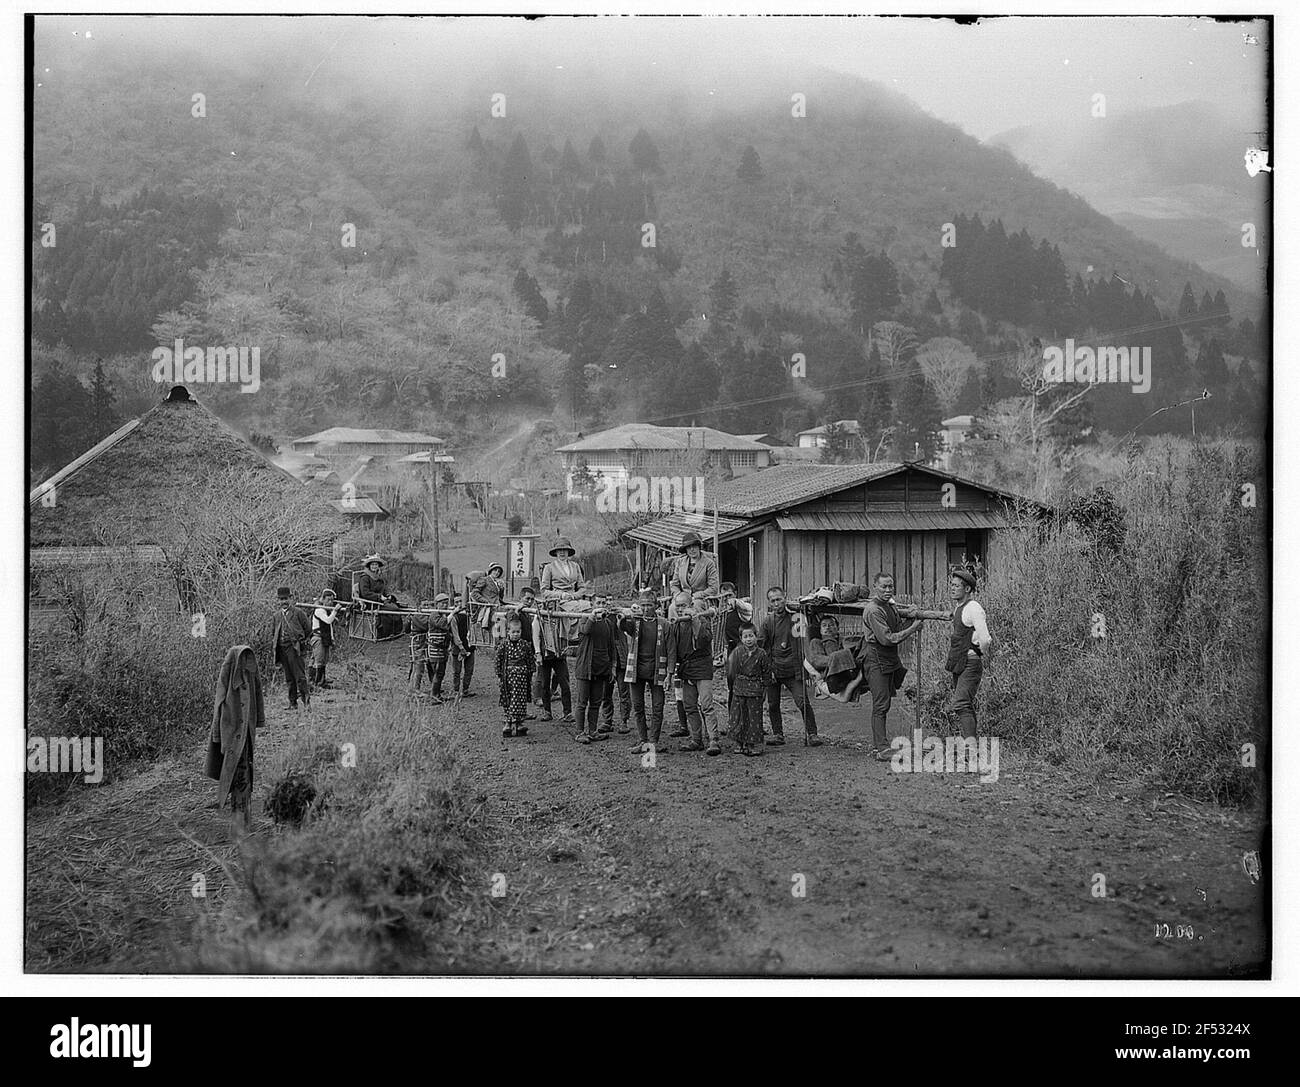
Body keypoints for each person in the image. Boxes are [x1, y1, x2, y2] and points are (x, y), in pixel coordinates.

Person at [906, 569, 993, 741]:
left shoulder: (974, 608)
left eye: (956, 586)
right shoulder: (959, 607)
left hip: (970, 662)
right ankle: (971, 744)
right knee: (964, 704)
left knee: (960, 703)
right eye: (951, 585)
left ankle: (971, 747)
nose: (952, 589)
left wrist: (978, 653)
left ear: (967, 589)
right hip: (959, 662)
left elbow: (986, 639)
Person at [860, 572, 926, 760]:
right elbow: (888, 639)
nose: (888, 590)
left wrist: (911, 618)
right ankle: (881, 749)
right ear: (875, 587)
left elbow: (896, 629)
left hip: (888, 659)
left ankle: (879, 745)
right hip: (876, 659)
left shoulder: (889, 606)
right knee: (880, 704)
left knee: (885, 703)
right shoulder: (873, 610)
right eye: (884, 587)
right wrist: (914, 628)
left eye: (891, 586)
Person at [205, 644, 264, 832]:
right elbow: (219, 706)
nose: (247, 664)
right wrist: (218, 736)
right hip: (231, 736)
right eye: (244, 660)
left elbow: (258, 699)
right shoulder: (228, 678)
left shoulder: (251, 677)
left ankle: (243, 821)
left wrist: (257, 721)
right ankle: (238, 824)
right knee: (234, 776)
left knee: (245, 775)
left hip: (246, 735)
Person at [756, 586, 821, 746]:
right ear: (769, 603)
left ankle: (812, 734)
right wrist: (766, 671)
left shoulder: (796, 618)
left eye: (779, 599)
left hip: (793, 670)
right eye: (773, 600)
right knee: (772, 704)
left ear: (784, 598)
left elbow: (802, 645)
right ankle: (778, 734)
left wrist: (805, 671)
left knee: (802, 702)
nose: (777, 603)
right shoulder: (768, 622)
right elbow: (762, 647)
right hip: (774, 669)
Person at [665, 592, 721, 755]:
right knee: (689, 705)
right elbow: (672, 649)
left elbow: (704, 640)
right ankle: (696, 739)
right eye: (678, 606)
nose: (681, 609)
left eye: (684, 605)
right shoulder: (676, 625)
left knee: (706, 705)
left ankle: (713, 740)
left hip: (702, 668)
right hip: (686, 669)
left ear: (691, 605)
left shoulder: (703, 620)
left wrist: (695, 620)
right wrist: (670, 673)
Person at [619, 590, 669, 754]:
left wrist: (670, 672)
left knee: (658, 707)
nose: (646, 608)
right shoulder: (635, 622)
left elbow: (671, 649)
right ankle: (643, 740)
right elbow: (624, 626)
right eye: (644, 605)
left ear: (656, 606)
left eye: (649, 605)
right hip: (636, 671)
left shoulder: (664, 624)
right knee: (638, 707)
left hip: (656, 670)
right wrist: (625, 617)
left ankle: (653, 741)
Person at [572, 595, 616, 744]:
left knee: (596, 702)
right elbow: (585, 631)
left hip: (601, 668)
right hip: (586, 667)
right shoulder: (585, 618)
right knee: (582, 702)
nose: (601, 605)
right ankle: (579, 732)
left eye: (604, 603)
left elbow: (612, 646)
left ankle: (593, 731)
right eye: (598, 603)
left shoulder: (608, 623)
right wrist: (592, 616)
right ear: (592, 604)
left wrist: (613, 667)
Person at [727, 622, 772, 757]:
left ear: (756, 636)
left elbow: (766, 672)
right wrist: (733, 687)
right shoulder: (737, 652)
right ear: (741, 638)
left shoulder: (762, 654)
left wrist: (764, 688)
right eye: (745, 637)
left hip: (755, 689)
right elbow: (731, 671)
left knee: (754, 717)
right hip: (739, 688)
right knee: (739, 716)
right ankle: (739, 743)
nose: (748, 639)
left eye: (751, 636)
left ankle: (752, 744)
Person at [807, 614, 867, 703]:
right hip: (832, 677)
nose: (827, 627)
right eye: (824, 626)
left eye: (831, 625)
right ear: (820, 630)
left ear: (837, 628)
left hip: (851, 672)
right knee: (839, 654)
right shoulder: (816, 642)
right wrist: (840, 659)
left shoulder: (844, 641)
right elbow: (817, 662)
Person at [495, 614, 535, 738]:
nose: (516, 634)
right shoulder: (503, 645)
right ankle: (508, 723)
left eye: (518, 632)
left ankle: (519, 724)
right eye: (513, 632)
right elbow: (498, 660)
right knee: (508, 699)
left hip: (522, 677)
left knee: (520, 700)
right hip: (508, 677)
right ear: (508, 631)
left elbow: (529, 660)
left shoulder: (525, 645)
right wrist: (500, 674)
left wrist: (531, 671)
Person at [272, 586, 312, 710]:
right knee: (289, 677)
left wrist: (300, 642)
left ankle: (306, 703)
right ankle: (292, 703)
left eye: (286, 599)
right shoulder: (276, 616)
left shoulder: (298, 613)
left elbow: (308, 629)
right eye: (281, 599)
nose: (283, 601)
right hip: (282, 649)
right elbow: (274, 632)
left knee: (300, 676)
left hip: (295, 649)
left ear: (291, 598)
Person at [597, 595, 632, 735]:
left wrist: (622, 615)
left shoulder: (618, 614)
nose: (608, 604)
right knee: (606, 693)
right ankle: (607, 720)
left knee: (624, 693)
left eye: (609, 601)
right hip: (606, 661)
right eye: (604, 602)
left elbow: (627, 624)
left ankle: (624, 721)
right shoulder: (598, 617)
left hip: (621, 659)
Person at [669, 531, 720, 612]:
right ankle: (673, 624)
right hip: (682, 599)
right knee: (672, 607)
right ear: (685, 549)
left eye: (694, 546)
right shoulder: (680, 562)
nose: (692, 549)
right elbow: (674, 584)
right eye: (689, 547)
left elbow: (713, 588)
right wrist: (678, 595)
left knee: (694, 607)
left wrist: (696, 596)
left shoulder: (708, 563)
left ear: (699, 547)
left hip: (701, 599)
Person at [357, 554, 400, 638]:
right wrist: (379, 597)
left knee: (396, 606)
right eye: (372, 564)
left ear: (378, 566)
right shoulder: (365, 577)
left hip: (380, 601)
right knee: (393, 609)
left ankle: (393, 631)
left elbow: (384, 589)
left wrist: (388, 595)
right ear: (369, 566)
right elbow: (365, 593)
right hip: (370, 602)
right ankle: (386, 632)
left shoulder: (379, 577)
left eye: (376, 564)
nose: (374, 566)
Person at [309, 589, 342, 689]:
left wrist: (332, 638)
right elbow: (328, 621)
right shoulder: (319, 610)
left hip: (324, 638)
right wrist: (335, 611)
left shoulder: (325, 610)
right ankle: (318, 682)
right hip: (318, 638)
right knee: (318, 660)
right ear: (322, 599)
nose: (330, 602)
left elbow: (329, 627)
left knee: (323, 659)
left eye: (332, 600)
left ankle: (320, 680)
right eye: (328, 600)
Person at [425, 593, 455, 703]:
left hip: (442, 649)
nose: (445, 605)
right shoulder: (434, 615)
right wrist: (453, 613)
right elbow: (443, 624)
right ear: (437, 604)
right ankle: (434, 696)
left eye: (446, 603)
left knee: (440, 673)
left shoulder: (442, 614)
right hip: (435, 650)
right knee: (437, 673)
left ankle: (437, 694)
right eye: (442, 603)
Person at [448, 592, 476, 698]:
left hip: (470, 646)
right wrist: (461, 647)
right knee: (457, 671)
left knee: (469, 670)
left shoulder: (470, 615)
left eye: (461, 601)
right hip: (458, 647)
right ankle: (456, 690)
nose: (459, 604)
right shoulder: (454, 617)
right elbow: (455, 634)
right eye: (457, 602)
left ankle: (465, 689)